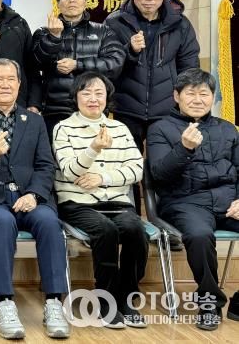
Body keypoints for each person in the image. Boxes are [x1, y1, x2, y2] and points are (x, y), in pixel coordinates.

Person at [0, 58, 69, 339]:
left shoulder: (35, 121)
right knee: (3, 222)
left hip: (27, 198)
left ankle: (54, 302)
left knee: (49, 221)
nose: (5, 84)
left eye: (11, 79)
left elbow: (45, 165)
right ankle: (4, 303)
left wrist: (34, 194)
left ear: (19, 84)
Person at [52, 71, 147, 328]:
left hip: (117, 201)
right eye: (86, 93)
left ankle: (126, 297)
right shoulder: (63, 128)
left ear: (107, 97)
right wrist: (93, 148)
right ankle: (106, 300)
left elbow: (137, 170)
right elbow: (70, 171)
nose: (93, 99)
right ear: (76, 97)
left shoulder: (120, 128)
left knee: (136, 230)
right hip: (77, 202)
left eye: (99, 93)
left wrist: (102, 178)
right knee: (106, 231)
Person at [147, 68, 239, 331]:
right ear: (177, 96)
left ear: (213, 97)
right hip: (184, 202)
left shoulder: (228, 129)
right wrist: (184, 148)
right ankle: (210, 303)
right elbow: (159, 175)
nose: (198, 100)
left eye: (204, 94)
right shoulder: (160, 129)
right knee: (199, 235)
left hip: (227, 201)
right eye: (191, 93)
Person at [104, 0, 200, 153]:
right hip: (126, 107)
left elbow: (189, 66)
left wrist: (185, 102)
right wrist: (130, 50)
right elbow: (107, 65)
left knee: (162, 162)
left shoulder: (180, 23)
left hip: (167, 108)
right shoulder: (114, 22)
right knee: (128, 161)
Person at [33, 0, 125, 139]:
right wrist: (54, 37)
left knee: (93, 151)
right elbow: (35, 63)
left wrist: (78, 64)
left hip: (93, 108)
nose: (72, 0)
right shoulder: (43, 32)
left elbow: (115, 64)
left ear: (86, 1)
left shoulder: (103, 31)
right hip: (55, 109)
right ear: (58, 3)